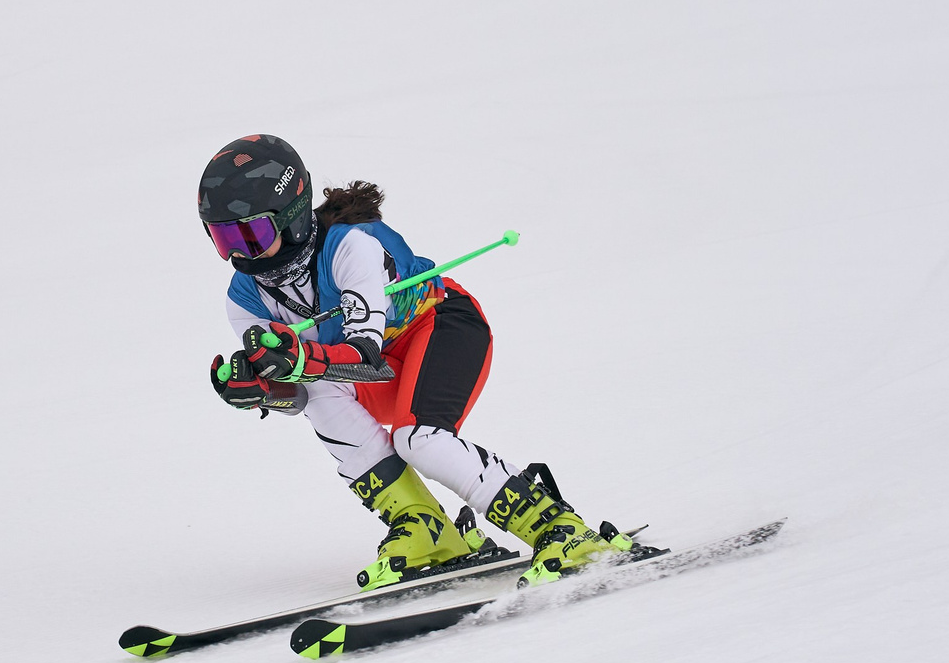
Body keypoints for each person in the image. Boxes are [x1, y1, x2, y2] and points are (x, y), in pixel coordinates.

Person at [199, 132, 630, 591]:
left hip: (441, 327)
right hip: (379, 367)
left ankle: (559, 527)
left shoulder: (350, 248)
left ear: (293, 219)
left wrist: (299, 358)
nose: (240, 255)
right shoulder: (243, 297)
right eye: (223, 239)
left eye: (252, 233)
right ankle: (426, 528)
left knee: (419, 440)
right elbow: (303, 397)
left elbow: (364, 357)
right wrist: (265, 391)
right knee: (322, 389)